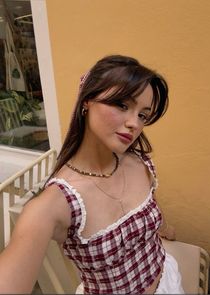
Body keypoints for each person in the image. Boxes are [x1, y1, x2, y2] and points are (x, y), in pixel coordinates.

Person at [0, 54, 184, 294]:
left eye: (143, 115)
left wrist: (165, 229)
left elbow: (146, 219)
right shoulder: (55, 204)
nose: (134, 124)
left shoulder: (140, 163)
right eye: (122, 104)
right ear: (87, 100)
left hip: (168, 280)